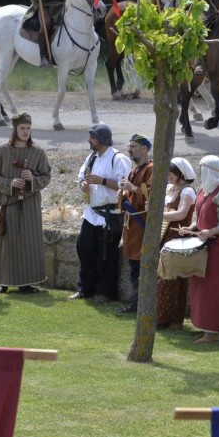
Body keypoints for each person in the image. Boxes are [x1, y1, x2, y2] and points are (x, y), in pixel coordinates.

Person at [184, 155, 219, 344]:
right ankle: (204, 325)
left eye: (203, 169)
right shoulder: (204, 191)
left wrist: (213, 231)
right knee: (201, 285)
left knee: (215, 288)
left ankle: (213, 332)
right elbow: (202, 215)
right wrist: (193, 227)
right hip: (204, 245)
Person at [70, 123, 131, 303]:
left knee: (108, 254)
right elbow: (82, 178)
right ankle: (85, 289)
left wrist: (102, 181)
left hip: (110, 214)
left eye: (93, 137)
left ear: (101, 139)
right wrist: (83, 185)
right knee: (84, 248)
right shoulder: (91, 157)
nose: (90, 140)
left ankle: (105, 292)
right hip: (92, 213)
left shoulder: (118, 158)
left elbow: (124, 185)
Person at [0, 113, 51, 294]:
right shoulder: (3, 151)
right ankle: (4, 282)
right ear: (15, 129)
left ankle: (27, 283)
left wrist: (32, 179)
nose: (26, 132)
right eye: (22, 128)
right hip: (10, 202)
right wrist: (10, 183)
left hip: (31, 203)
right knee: (9, 242)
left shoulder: (38, 152)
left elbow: (46, 176)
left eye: (28, 128)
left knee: (29, 241)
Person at [156, 157, 196, 329]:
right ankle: (159, 316)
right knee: (161, 277)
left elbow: (181, 214)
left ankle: (172, 319)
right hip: (163, 236)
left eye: (171, 172)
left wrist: (158, 214)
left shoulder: (187, 191)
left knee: (173, 279)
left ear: (181, 174)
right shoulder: (169, 189)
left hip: (177, 237)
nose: (168, 175)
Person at [117, 134, 155, 314]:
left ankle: (140, 304)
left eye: (133, 146)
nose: (129, 149)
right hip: (132, 226)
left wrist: (132, 189)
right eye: (129, 145)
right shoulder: (134, 170)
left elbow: (152, 194)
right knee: (134, 267)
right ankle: (136, 303)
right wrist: (123, 195)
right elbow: (130, 196)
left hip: (142, 224)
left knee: (140, 267)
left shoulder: (151, 169)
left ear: (144, 149)